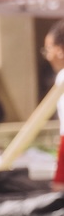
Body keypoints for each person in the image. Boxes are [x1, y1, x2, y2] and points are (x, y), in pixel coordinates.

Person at [45, 20, 64, 187]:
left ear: (59, 51)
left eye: (48, 49)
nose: (48, 56)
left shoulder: (62, 77)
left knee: (59, 193)